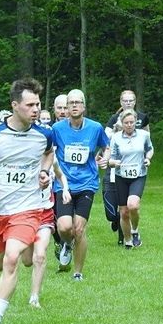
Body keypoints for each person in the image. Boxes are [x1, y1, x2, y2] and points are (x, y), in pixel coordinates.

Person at [0, 78, 55, 324]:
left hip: (27, 208)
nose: (35, 109)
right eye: (30, 105)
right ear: (15, 106)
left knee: (11, 258)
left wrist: (43, 171)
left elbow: (50, 152)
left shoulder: (44, 134)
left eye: (38, 104)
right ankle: (28, 249)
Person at [50, 88, 109, 280]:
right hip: (64, 184)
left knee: (79, 228)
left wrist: (104, 158)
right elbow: (48, 151)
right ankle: (66, 243)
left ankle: (77, 272)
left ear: (83, 106)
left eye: (77, 102)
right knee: (65, 227)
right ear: (66, 108)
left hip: (86, 183)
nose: (74, 106)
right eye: (71, 103)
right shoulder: (57, 129)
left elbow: (106, 146)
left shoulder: (95, 128)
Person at [104, 90, 153, 245]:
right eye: (125, 100)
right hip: (120, 173)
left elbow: (149, 145)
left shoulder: (143, 129)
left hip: (138, 172)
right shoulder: (115, 129)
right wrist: (111, 162)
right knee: (123, 211)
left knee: (132, 205)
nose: (130, 125)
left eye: (131, 100)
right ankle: (126, 239)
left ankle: (134, 231)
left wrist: (147, 158)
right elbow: (108, 149)